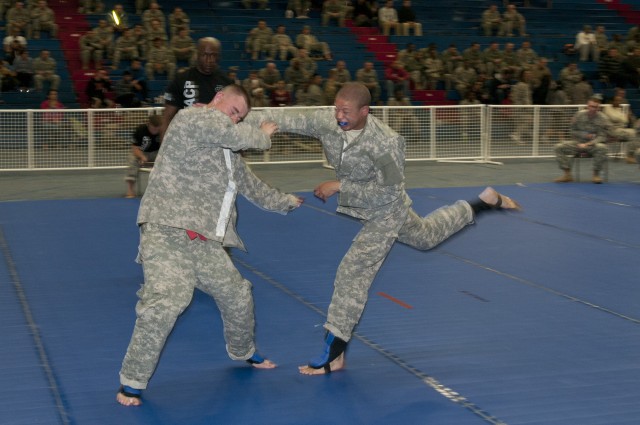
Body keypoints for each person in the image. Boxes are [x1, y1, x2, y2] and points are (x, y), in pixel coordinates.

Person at [246, 82, 520, 375]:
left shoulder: (387, 142)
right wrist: (222, 117)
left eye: (346, 111)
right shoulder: (328, 119)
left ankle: (334, 353)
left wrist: (339, 185)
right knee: (426, 237)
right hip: (372, 205)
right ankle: (484, 202)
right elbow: (277, 118)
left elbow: (388, 194)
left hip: (386, 209)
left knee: (353, 272)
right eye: (337, 108)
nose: (339, 115)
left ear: (365, 111)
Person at [116, 84, 303, 406]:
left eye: (240, 117)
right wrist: (263, 133)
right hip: (167, 231)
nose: (234, 120)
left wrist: (286, 202)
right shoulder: (192, 119)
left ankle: (243, 351)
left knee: (237, 294)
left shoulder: (226, 151)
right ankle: (131, 383)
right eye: (233, 112)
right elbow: (235, 133)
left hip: (203, 244)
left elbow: (252, 186)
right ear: (217, 99)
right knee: (168, 300)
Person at [161, 37, 233, 139]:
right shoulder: (181, 79)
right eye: (205, 55)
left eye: (214, 55)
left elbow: (234, 119)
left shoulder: (227, 83)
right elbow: (167, 118)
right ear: (197, 54)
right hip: (186, 142)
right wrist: (163, 151)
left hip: (216, 142)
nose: (210, 60)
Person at [554, 94, 608, 184]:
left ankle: (596, 174)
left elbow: (602, 136)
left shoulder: (603, 118)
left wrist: (589, 144)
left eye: (595, 107)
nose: (593, 109)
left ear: (598, 107)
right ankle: (567, 174)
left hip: (593, 146)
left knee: (602, 148)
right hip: (578, 143)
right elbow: (572, 130)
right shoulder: (579, 115)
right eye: (591, 106)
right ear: (587, 106)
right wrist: (583, 135)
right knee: (558, 147)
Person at [124, 115, 162, 197]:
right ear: (148, 124)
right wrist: (141, 156)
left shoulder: (163, 130)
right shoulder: (140, 130)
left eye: (157, 128)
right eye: (153, 128)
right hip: (142, 152)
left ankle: (165, 188)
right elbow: (134, 148)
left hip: (157, 153)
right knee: (132, 159)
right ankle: (130, 190)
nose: (155, 131)